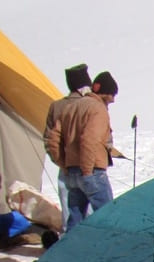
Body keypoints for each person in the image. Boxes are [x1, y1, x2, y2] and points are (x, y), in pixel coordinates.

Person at [46, 71, 119, 231]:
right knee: (107, 217)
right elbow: (89, 140)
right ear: (104, 92)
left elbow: (53, 140)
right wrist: (87, 171)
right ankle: (105, 247)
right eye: (112, 95)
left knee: (75, 219)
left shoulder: (71, 108)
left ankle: (72, 247)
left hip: (71, 172)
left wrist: (64, 165)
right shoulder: (98, 109)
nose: (113, 100)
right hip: (92, 171)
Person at [43, 63, 92, 237]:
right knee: (91, 212)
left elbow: (49, 139)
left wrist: (60, 162)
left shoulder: (56, 106)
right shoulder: (90, 105)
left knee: (69, 212)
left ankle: (69, 246)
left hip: (65, 167)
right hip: (89, 167)